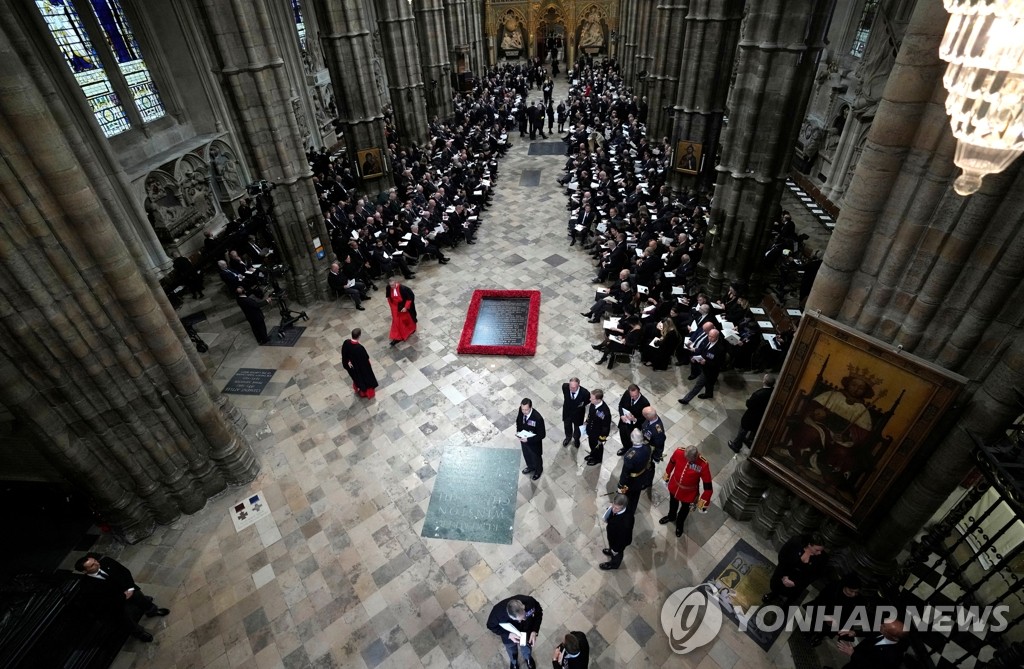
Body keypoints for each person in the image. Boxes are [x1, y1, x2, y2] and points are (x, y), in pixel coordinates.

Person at [74, 553, 169, 643]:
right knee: (124, 619)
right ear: (84, 571)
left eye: (94, 561)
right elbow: (103, 601)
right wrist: (123, 597)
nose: (97, 563)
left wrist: (130, 588)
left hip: (127, 589)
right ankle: (139, 633)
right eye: (92, 565)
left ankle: (152, 611)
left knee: (140, 597)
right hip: (116, 602)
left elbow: (124, 572)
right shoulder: (86, 586)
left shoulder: (107, 562)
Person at [660, 445, 713, 537]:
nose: (687, 461)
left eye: (690, 460)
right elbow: (671, 463)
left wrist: (703, 503)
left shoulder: (703, 464)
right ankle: (671, 516)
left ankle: (679, 524)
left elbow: (708, 487)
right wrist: (667, 475)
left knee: (684, 510)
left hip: (689, 493)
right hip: (675, 486)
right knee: (673, 502)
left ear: (695, 457)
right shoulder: (679, 452)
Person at [764, 534, 828, 605]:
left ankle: (787, 605)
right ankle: (774, 594)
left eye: (821, 550)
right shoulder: (795, 543)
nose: (820, 553)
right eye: (817, 550)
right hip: (785, 572)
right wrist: (784, 575)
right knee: (777, 586)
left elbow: (814, 576)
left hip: (800, 580)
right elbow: (782, 557)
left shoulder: (822, 558)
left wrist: (796, 583)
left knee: (793, 596)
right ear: (809, 545)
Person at [487, 594, 543, 669]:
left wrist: (534, 630)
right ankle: (514, 662)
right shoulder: (497, 613)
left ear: (523, 606)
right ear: (509, 616)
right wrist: (508, 635)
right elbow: (491, 626)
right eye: (518, 619)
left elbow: (539, 613)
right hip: (510, 636)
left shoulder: (530, 601)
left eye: (524, 617)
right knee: (511, 649)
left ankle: (528, 658)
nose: (522, 620)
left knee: (527, 647)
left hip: (526, 631)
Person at [836, 617, 910, 669]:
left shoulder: (894, 657)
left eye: (884, 627)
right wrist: (855, 632)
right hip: (853, 663)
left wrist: (853, 654)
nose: (879, 625)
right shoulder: (885, 632)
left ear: (894, 637)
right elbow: (871, 632)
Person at [729, 374, 776, 452]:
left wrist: (748, 401)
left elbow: (749, 404)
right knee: (754, 430)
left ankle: (736, 445)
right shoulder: (773, 391)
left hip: (751, 416)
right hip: (761, 416)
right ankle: (750, 442)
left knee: (743, 430)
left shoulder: (758, 394)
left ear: (764, 381)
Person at [678, 329, 723, 403]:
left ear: (717, 337)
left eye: (712, 337)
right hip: (703, 366)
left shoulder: (720, 348)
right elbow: (702, 350)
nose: (710, 338)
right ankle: (709, 394)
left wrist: (706, 362)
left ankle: (686, 400)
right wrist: (694, 356)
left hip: (710, 371)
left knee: (698, 385)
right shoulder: (707, 341)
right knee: (709, 383)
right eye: (709, 336)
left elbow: (719, 363)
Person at [617, 429, 654, 514]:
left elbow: (625, 473)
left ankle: (626, 511)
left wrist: (621, 485)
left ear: (632, 439)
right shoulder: (647, 447)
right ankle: (632, 510)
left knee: (627, 496)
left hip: (631, 481)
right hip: (641, 476)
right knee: (636, 496)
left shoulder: (629, 456)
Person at [600, 493, 634, 570]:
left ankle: (614, 564)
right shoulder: (615, 509)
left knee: (617, 554)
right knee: (612, 547)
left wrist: (616, 549)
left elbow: (623, 539)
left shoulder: (626, 522)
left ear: (623, 507)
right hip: (613, 537)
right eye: (613, 506)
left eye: (617, 508)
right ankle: (611, 550)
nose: (613, 510)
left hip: (618, 543)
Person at [341, 328, 378, 399]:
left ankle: (357, 387)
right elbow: (365, 358)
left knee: (356, 378)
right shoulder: (360, 348)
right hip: (360, 368)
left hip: (352, 367)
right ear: (359, 336)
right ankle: (365, 391)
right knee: (365, 378)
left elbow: (344, 354)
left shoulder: (346, 342)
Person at [615, 384, 649, 456]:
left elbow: (644, 418)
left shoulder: (645, 403)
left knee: (632, 441)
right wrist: (621, 415)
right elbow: (620, 405)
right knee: (623, 436)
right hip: (624, 422)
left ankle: (632, 451)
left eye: (635, 395)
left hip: (634, 427)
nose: (633, 398)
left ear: (639, 392)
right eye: (632, 396)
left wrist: (635, 419)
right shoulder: (627, 394)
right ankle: (625, 447)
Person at [516, 398, 546, 480]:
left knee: (536, 458)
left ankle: (538, 471)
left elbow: (542, 435)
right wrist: (519, 433)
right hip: (524, 441)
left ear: (531, 407)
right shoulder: (521, 410)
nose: (524, 412)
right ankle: (530, 467)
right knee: (527, 455)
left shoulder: (538, 418)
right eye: (523, 409)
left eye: (526, 410)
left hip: (534, 444)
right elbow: (518, 420)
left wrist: (528, 440)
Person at [386, 276, 416, 346]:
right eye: (390, 285)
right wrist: (391, 307)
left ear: (396, 282)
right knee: (396, 322)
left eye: (393, 285)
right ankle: (397, 337)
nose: (392, 287)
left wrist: (405, 307)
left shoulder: (403, 288)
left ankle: (409, 330)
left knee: (404, 320)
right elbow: (389, 298)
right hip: (394, 307)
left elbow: (409, 299)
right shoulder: (388, 288)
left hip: (402, 306)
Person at [583, 389, 611, 466]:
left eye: (592, 398)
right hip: (591, 431)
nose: (590, 399)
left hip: (597, 434)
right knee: (592, 445)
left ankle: (597, 459)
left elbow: (605, 427)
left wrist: (601, 439)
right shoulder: (593, 404)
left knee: (598, 448)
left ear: (598, 400)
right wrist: (587, 421)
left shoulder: (605, 412)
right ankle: (592, 454)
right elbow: (590, 414)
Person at [561, 378, 590, 447]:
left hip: (578, 415)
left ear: (578, 385)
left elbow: (587, 401)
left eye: (574, 388)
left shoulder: (585, 393)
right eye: (570, 387)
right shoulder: (565, 387)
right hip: (567, 413)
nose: (572, 389)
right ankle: (568, 437)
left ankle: (576, 439)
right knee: (567, 426)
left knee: (577, 429)